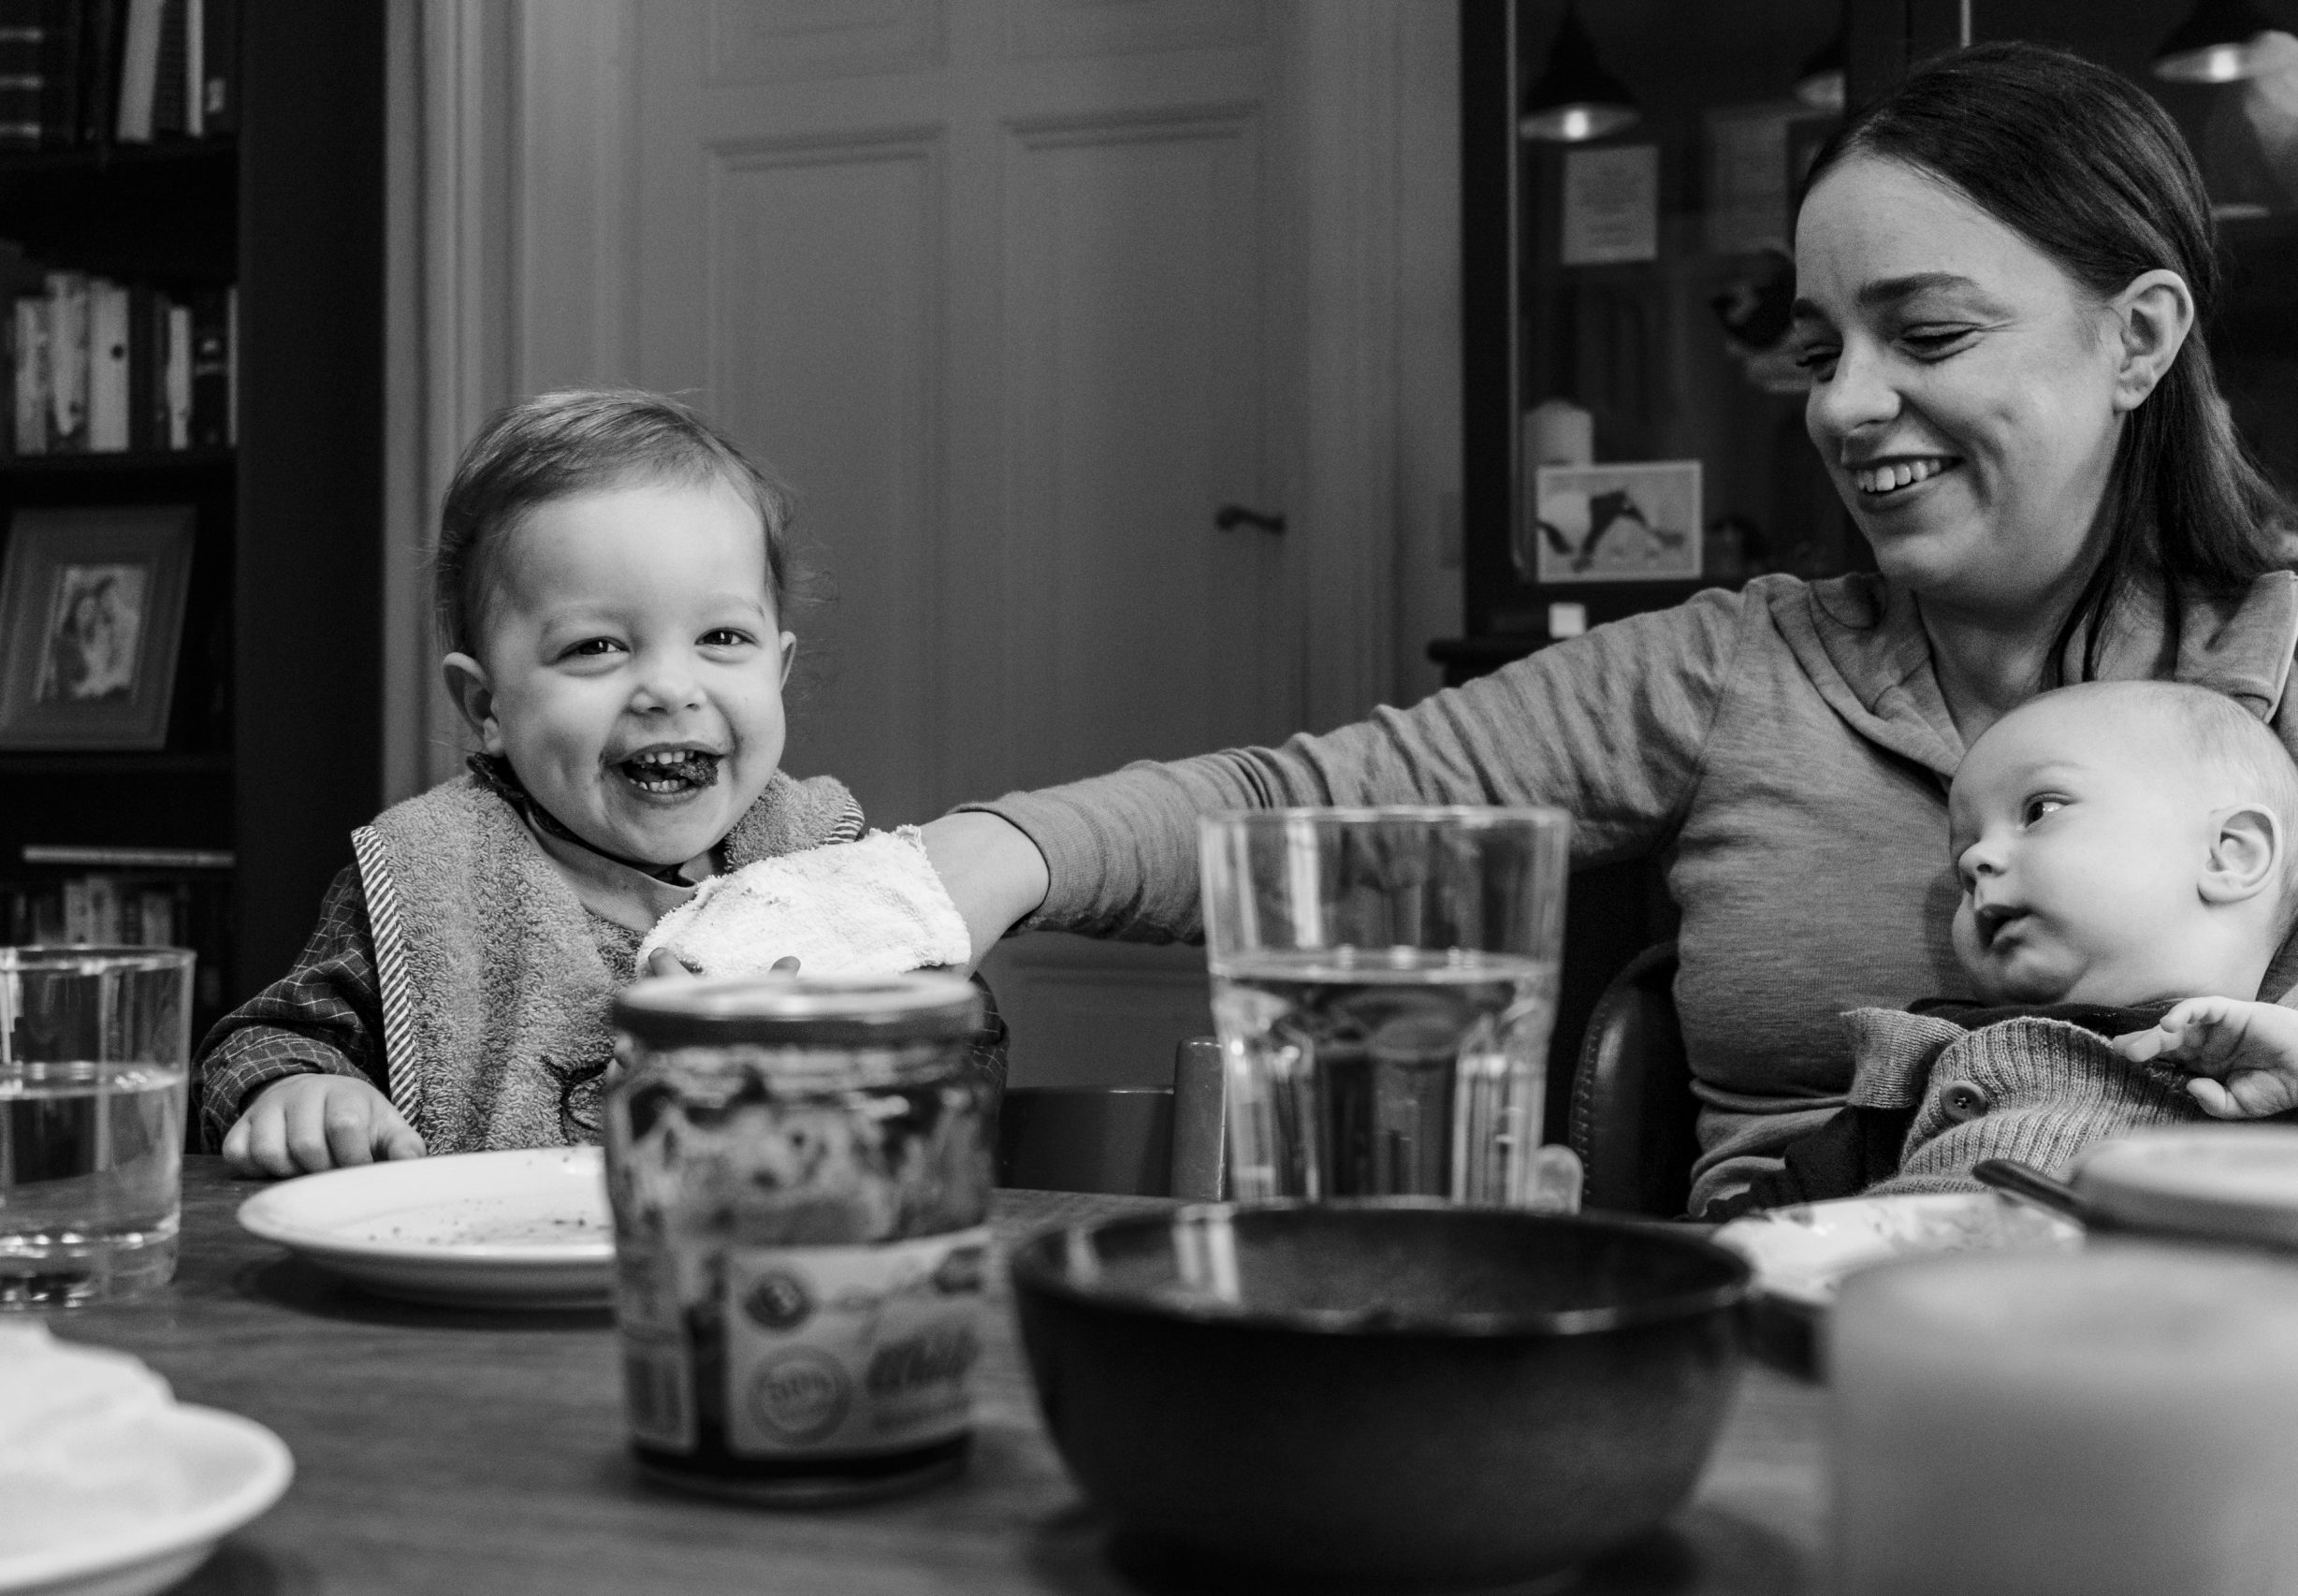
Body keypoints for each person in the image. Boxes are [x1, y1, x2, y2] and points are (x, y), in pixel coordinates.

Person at [908, 41, 2298, 1214]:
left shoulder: (2279, 662)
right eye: (1821, 354)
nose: (1845, 405)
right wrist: (972, 860)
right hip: (1760, 1383)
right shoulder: (1736, 665)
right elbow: (1318, 808)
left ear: (2140, 337)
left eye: (1926, 337)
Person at [197, 389, 998, 1178]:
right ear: (489, 706)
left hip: (757, 1276)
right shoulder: (434, 875)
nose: (669, 689)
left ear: (778, 669)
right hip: (488, 1284)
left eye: (721, 637)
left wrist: (842, 1055)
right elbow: (264, 1041)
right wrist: (297, 1092)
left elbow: (969, 1049)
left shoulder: (824, 862)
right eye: (596, 648)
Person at [1710, 680, 2298, 1214]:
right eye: (1962, 859)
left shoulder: (2276, 1063)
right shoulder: (1935, 1049)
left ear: (2231, 853)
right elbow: (1771, 1221)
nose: (1974, 860)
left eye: (2040, 810)